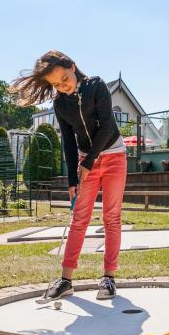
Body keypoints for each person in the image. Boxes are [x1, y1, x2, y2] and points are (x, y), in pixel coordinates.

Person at [11, 50, 127, 300]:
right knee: (79, 219)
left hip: (114, 156)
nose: (63, 86)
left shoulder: (96, 86)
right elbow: (68, 142)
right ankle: (66, 280)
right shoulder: (60, 103)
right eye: (56, 84)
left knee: (111, 218)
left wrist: (89, 161)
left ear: (73, 67)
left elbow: (107, 126)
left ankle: (108, 278)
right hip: (87, 161)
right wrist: (73, 180)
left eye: (64, 78)